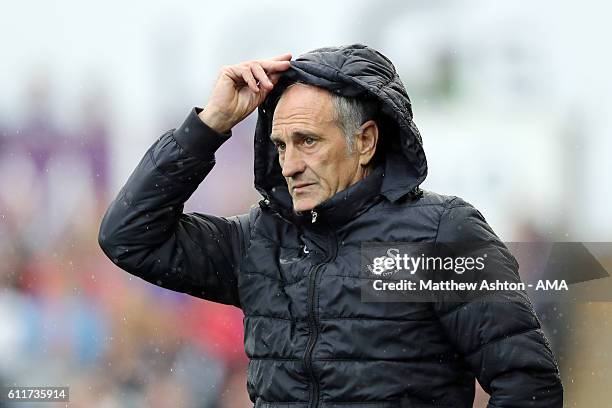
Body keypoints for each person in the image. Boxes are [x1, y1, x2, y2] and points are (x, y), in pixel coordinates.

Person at [99, 44, 563, 407]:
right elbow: (128, 237)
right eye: (281, 146)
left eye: (307, 141)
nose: (290, 164)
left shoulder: (443, 233)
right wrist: (210, 124)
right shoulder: (257, 240)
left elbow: (527, 384)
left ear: (365, 141)